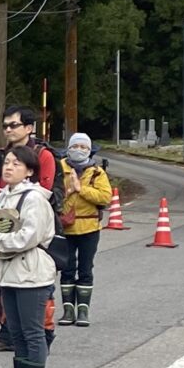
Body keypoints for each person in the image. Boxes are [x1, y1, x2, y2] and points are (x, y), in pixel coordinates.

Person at [0, 105, 58, 353]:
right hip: (6, 218)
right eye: (5, 126)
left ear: (29, 127)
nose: (8, 130)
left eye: (13, 125)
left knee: (36, 291)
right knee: (5, 285)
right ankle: (7, 331)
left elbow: (47, 187)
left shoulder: (43, 155)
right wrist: (0, 214)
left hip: (35, 225)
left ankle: (43, 331)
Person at [0, 144, 58, 368]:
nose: (8, 167)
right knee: (15, 332)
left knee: (32, 331)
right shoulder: (3, 197)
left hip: (31, 272)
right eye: (7, 162)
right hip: (7, 272)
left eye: (16, 164)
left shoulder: (35, 198)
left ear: (29, 171)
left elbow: (30, 236)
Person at [56, 133, 112, 327]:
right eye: (75, 146)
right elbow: (51, 196)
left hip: (89, 227)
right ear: (68, 147)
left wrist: (81, 189)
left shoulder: (97, 172)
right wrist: (69, 191)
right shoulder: (59, 168)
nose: (78, 150)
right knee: (67, 268)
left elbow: (105, 197)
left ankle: (83, 312)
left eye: (83, 147)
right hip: (65, 227)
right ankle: (68, 311)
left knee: (86, 269)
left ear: (90, 150)